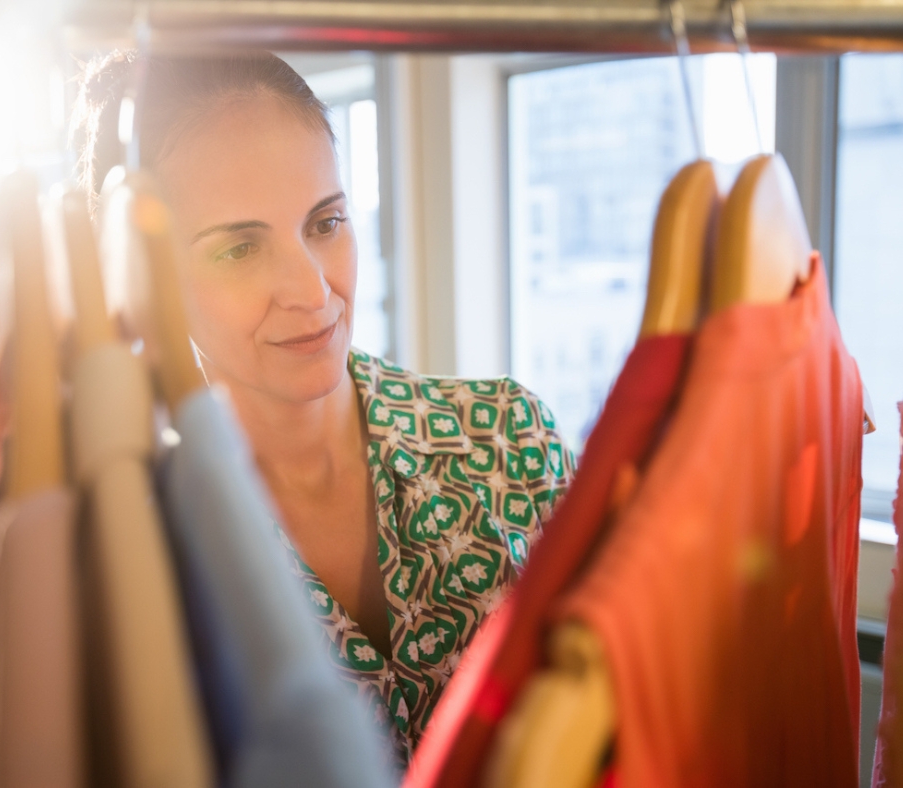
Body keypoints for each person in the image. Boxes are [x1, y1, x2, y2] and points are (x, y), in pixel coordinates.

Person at [72, 51, 575, 767]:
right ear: (144, 280)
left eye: (326, 222)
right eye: (238, 249)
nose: (311, 291)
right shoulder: (143, 548)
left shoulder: (508, 438)